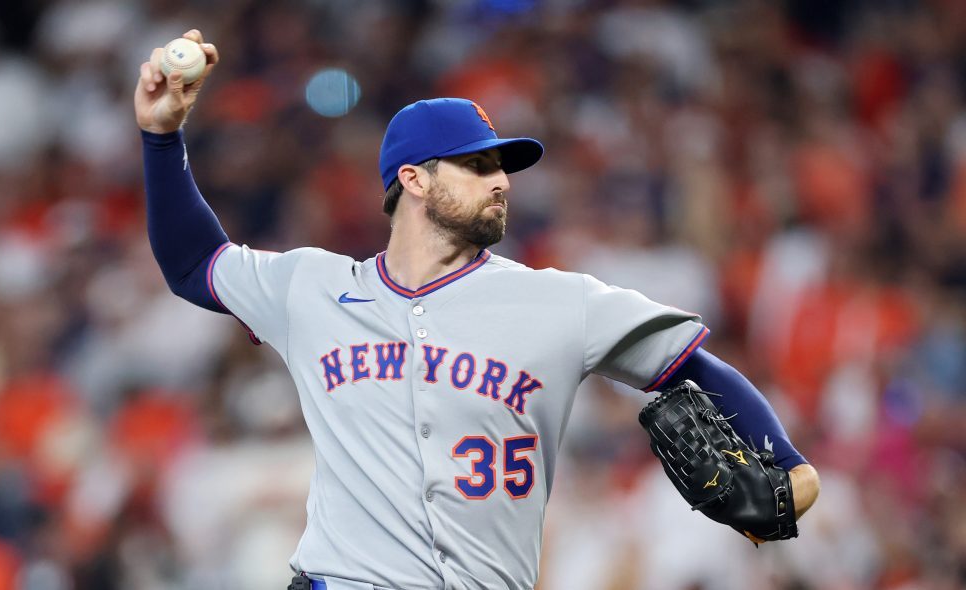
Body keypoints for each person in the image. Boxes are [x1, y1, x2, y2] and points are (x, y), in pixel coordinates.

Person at [135, 29, 820, 590]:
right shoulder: (311, 287)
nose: (500, 182)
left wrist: (791, 468)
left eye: (502, 167)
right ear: (413, 179)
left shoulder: (561, 302)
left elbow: (689, 367)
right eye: (476, 165)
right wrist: (162, 140)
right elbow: (195, 264)